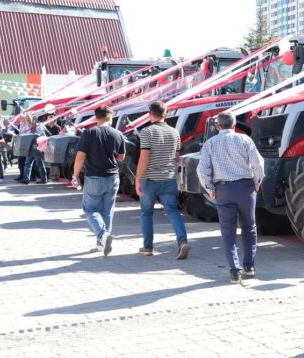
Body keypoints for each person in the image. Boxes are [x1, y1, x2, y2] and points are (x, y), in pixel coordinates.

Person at [197, 111, 265, 283]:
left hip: (223, 190)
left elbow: (201, 170)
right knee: (249, 227)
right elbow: (258, 163)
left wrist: (210, 188)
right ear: (234, 125)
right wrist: (257, 181)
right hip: (245, 188)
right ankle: (249, 266)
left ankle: (234, 271)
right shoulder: (245, 140)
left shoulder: (210, 144)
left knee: (228, 231)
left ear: (217, 126)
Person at [136, 101, 190, 259]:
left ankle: (148, 247)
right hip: (169, 178)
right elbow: (176, 157)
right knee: (172, 211)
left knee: (146, 212)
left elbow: (144, 157)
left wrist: (137, 179)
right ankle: (182, 242)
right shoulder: (174, 132)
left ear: (149, 114)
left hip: (150, 179)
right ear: (165, 114)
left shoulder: (146, 132)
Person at [71, 105, 126, 256]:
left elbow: (80, 156)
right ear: (110, 116)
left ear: (96, 117)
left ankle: (102, 235)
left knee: (89, 210)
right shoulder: (118, 134)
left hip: (94, 177)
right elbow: (121, 158)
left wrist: (75, 175)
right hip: (113, 177)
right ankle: (102, 242)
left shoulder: (89, 133)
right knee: (107, 211)